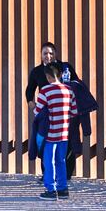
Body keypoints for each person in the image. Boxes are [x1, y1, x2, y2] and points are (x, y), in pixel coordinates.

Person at [25, 41, 80, 177]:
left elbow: (77, 84)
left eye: (51, 53)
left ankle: (66, 176)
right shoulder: (37, 72)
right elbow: (29, 92)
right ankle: (47, 175)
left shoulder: (65, 68)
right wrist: (34, 108)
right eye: (45, 53)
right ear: (41, 55)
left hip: (65, 114)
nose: (48, 56)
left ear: (55, 54)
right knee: (45, 145)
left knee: (67, 144)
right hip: (46, 115)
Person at [34, 64, 77, 200]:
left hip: (50, 134)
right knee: (61, 160)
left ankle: (51, 190)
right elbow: (74, 112)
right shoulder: (69, 90)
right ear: (59, 75)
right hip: (64, 133)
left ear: (48, 76)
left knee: (49, 161)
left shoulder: (45, 91)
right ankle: (63, 189)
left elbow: (37, 112)